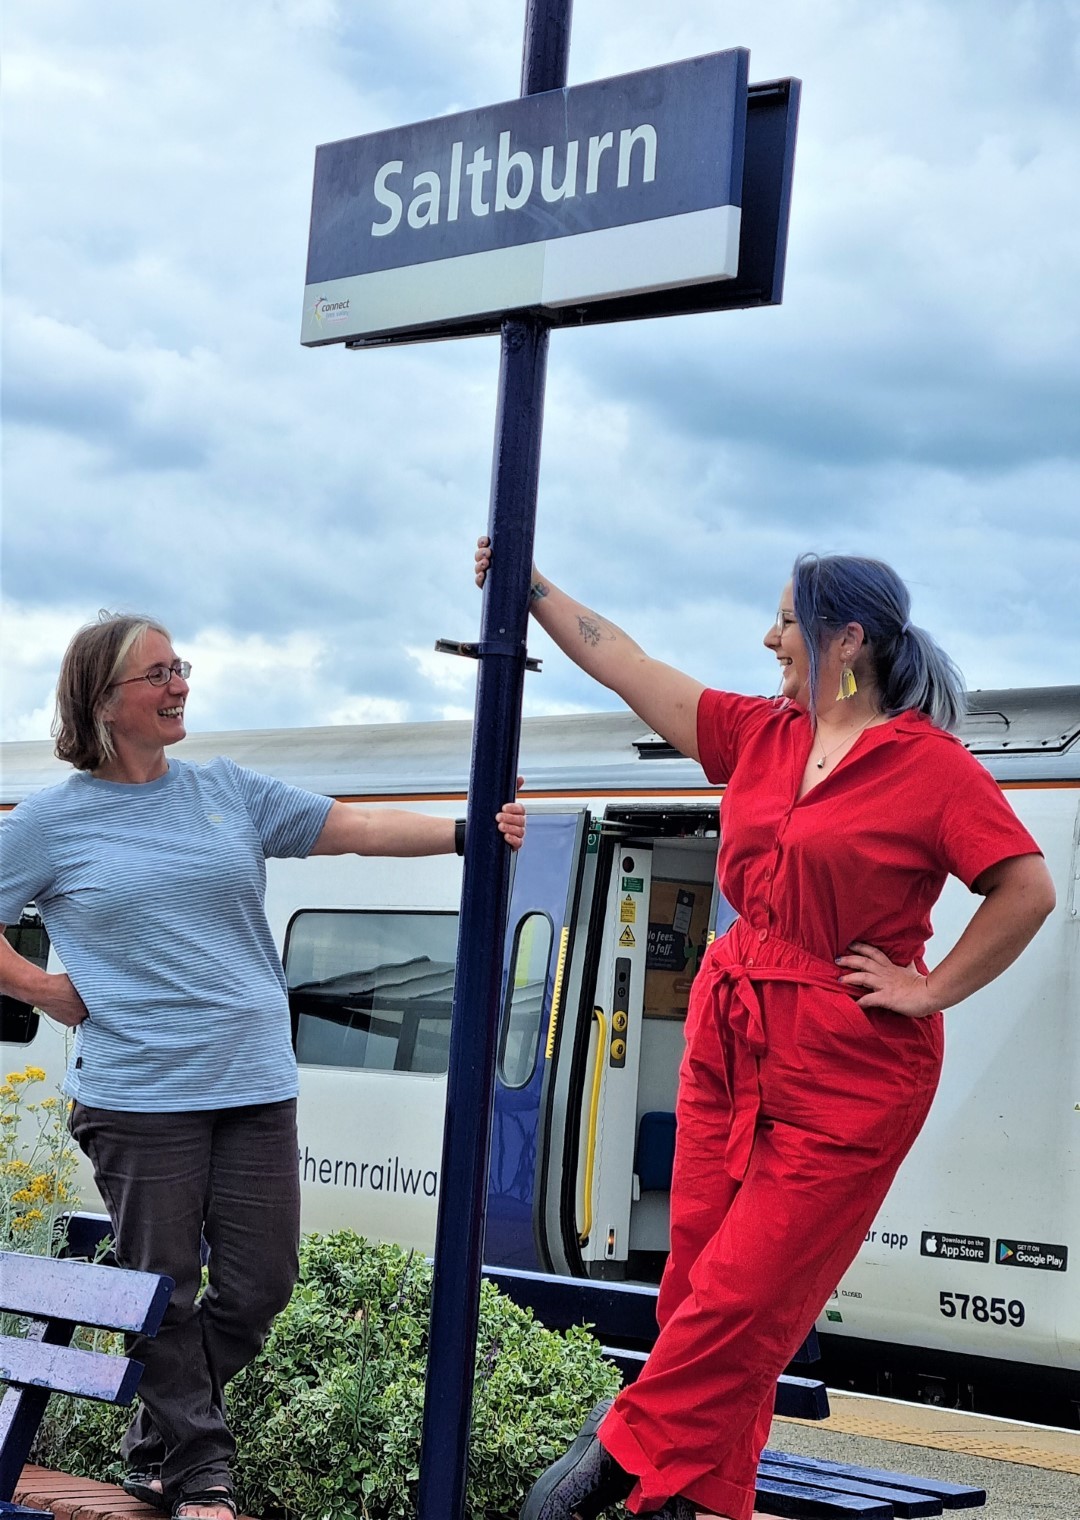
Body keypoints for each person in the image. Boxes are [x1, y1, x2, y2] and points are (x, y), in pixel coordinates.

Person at [475, 541, 1055, 1520]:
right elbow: (625, 658)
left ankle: (623, 1454)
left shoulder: (931, 767)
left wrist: (931, 989)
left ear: (847, 639)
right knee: (699, 1288)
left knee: (747, 1295)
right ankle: (697, 1500)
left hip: (852, 1063)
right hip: (730, 1027)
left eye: (787, 619)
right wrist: (527, 586)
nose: (769, 635)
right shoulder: (761, 733)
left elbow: (1027, 886)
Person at [0, 611, 525, 1520]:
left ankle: (159, 1443)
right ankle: (200, 1472)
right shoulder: (51, 822)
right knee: (160, 1284)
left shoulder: (225, 792)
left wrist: (466, 832)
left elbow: (349, 824)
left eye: (180, 667)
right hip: (141, 1092)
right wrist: (44, 988)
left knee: (260, 1284)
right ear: (102, 701)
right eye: (158, 674)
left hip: (254, 1081)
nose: (180, 686)